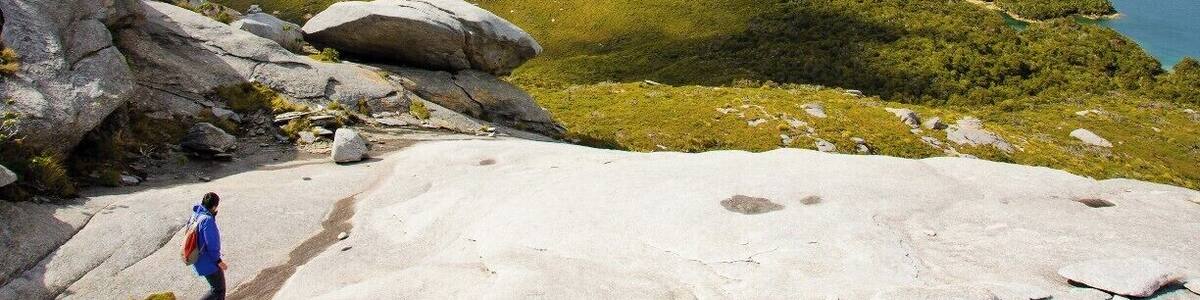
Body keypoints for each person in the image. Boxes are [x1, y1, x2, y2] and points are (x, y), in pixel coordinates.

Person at [192, 192, 227, 300]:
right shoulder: (207, 220)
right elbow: (211, 244)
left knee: (216, 289)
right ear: (214, 206)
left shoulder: (196, 215)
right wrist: (218, 261)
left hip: (197, 258)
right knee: (218, 290)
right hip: (208, 261)